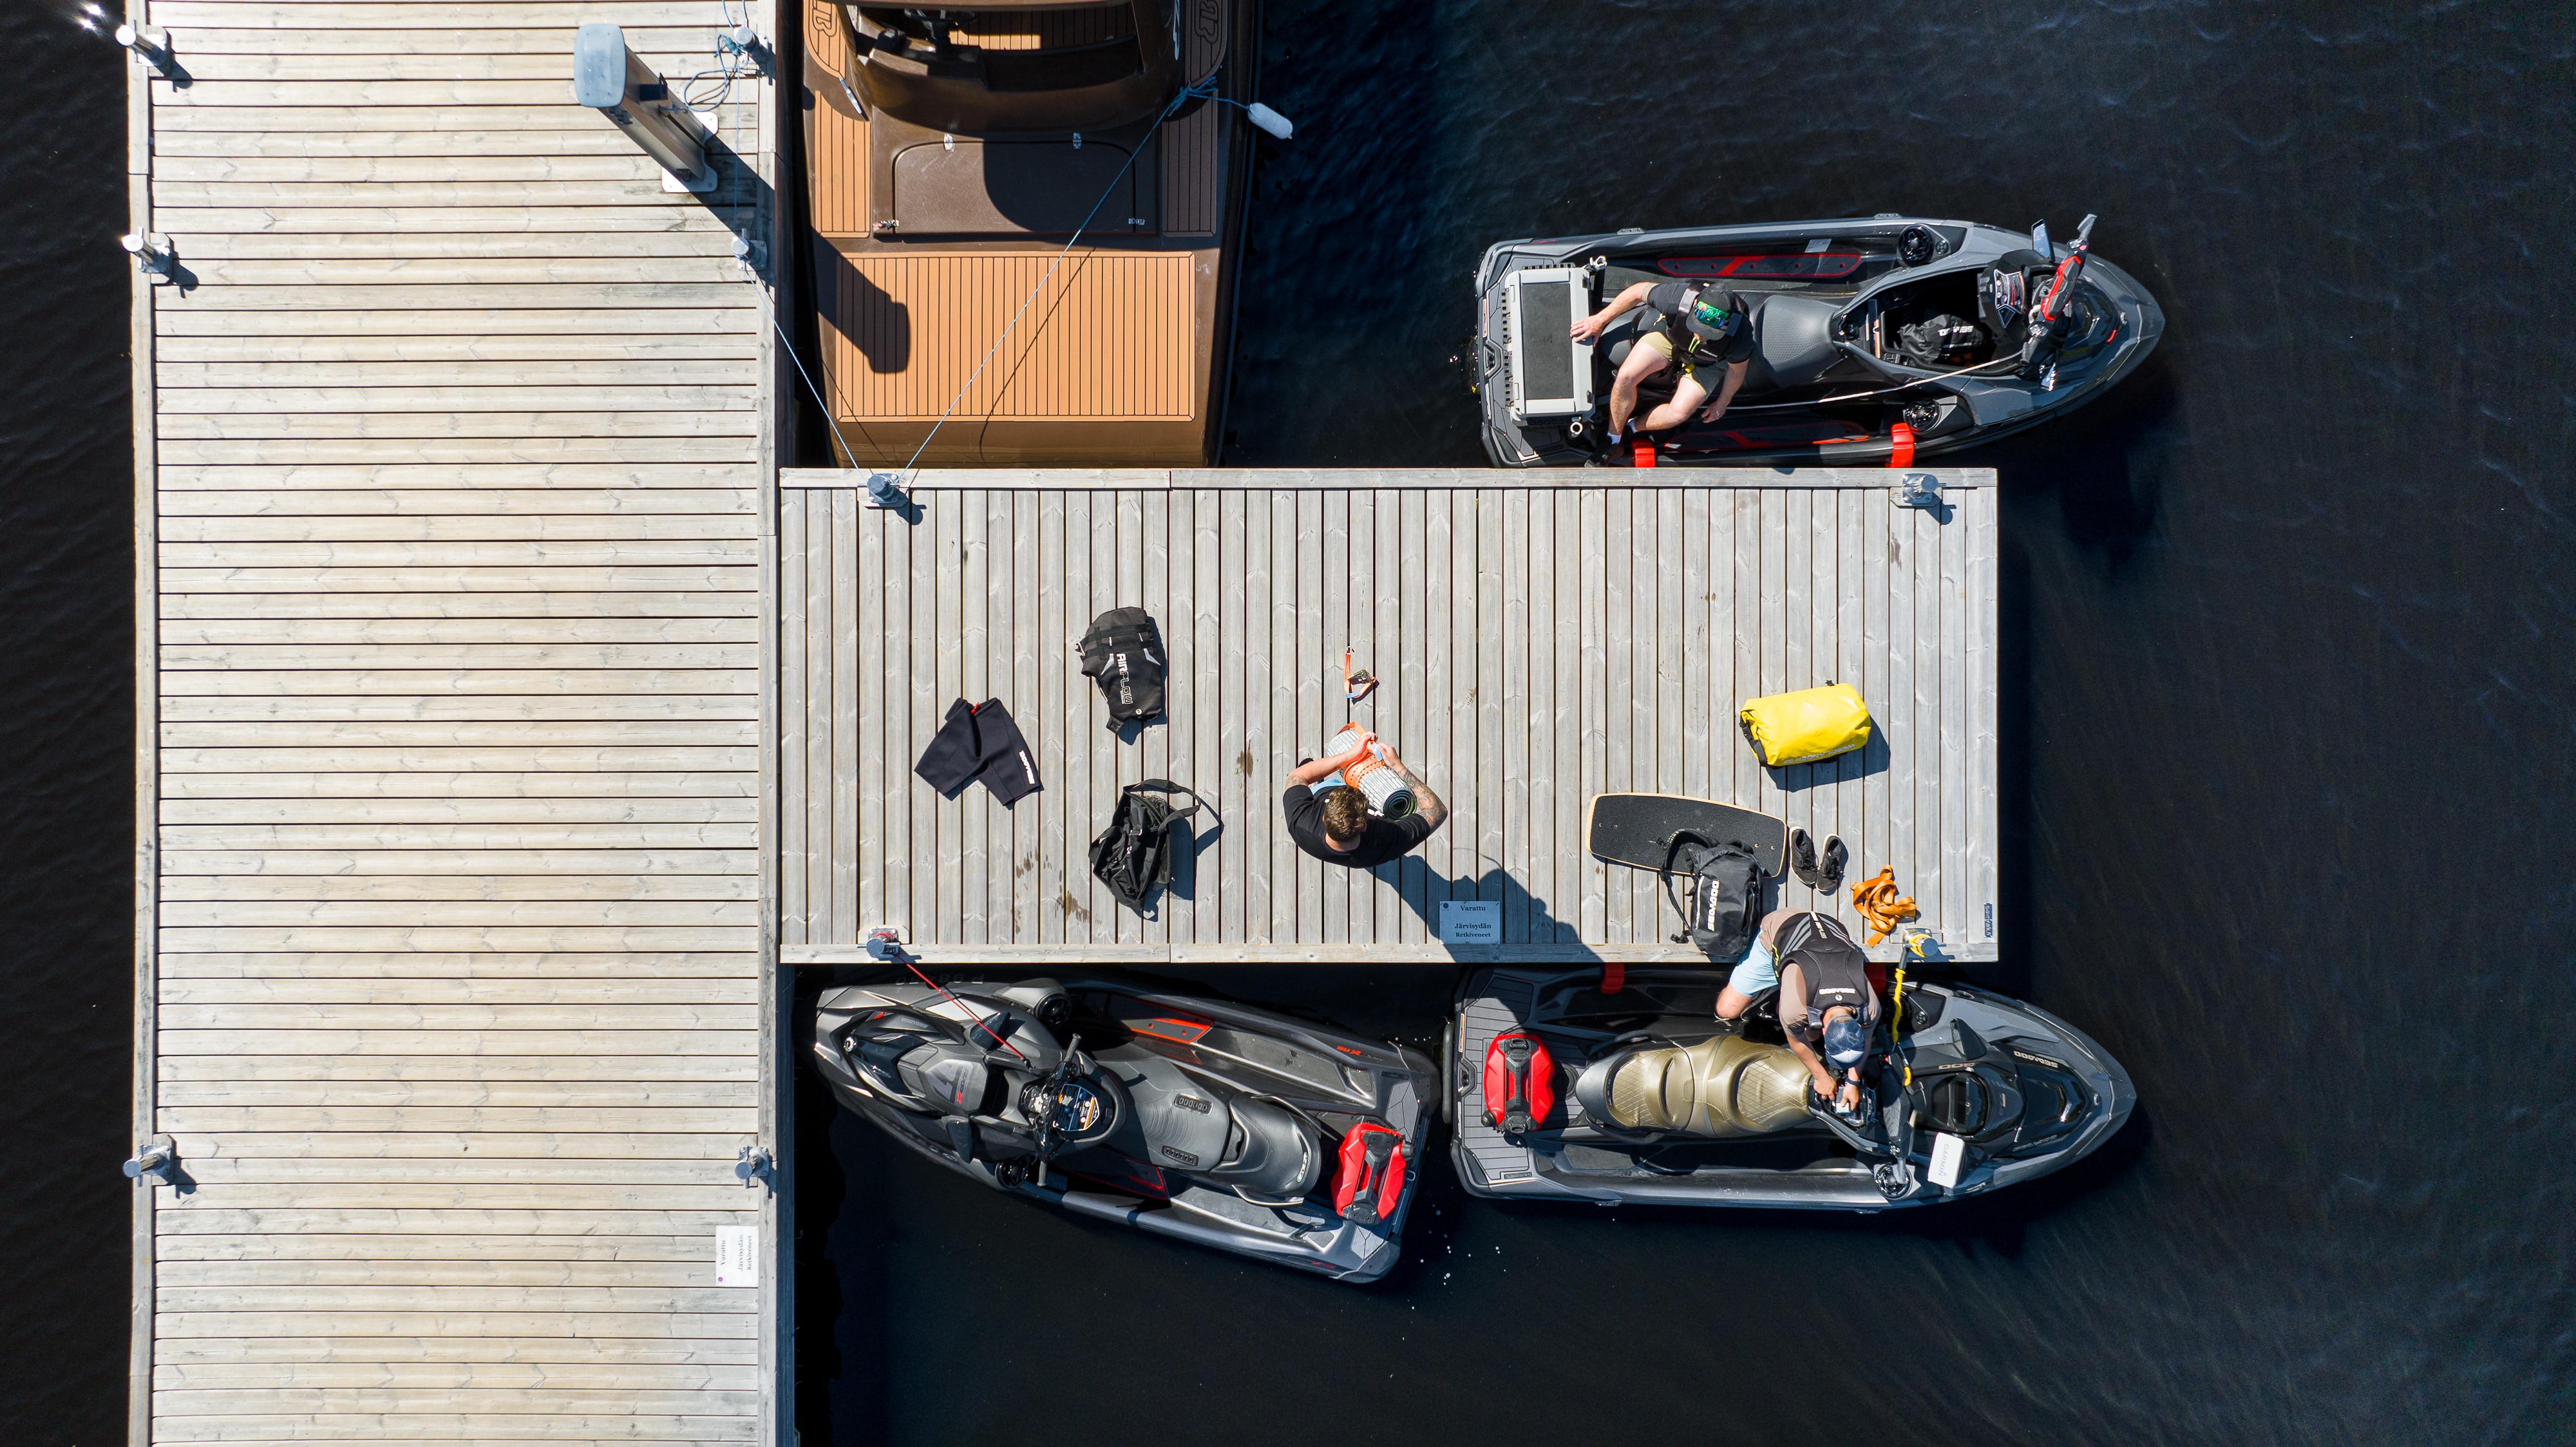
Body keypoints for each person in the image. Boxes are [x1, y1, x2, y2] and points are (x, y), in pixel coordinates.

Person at [1716, 904, 1879, 1112]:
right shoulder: (1795, 1010)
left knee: (1810, 1035)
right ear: (1825, 1031)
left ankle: (1781, 996)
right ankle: (1774, 995)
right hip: (1782, 927)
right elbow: (1796, 1041)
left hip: (1828, 927)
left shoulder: (1870, 1008)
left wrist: (1853, 1083)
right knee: (1726, 1010)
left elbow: (1866, 1040)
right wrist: (1821, 1078)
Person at [1569, 279, 1758, 447]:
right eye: (1698, 328)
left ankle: (1632, 428)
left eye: (1709, 333)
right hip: (1672, 339)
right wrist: (1599, 320)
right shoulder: (1676, 297)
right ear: (1694, 306)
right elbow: (1637, 291)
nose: (1701, 335)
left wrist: (1722, 403)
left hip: (1710, 362)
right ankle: (1614, 437)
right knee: (1626, 376)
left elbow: (1736, 372)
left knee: (1679, 414)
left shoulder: (1741, 337)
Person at [1281, 729, 1448, 869]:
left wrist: (1352, 754)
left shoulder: (1301, 823)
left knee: (1307, 769)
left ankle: (1321, 783)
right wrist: (1398, 766)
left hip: (1321, 792)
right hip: (1355, 825)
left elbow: (1296, 776)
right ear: (1364, 825)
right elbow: (1438, 811)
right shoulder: (1386, 840)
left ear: (1324, 817)